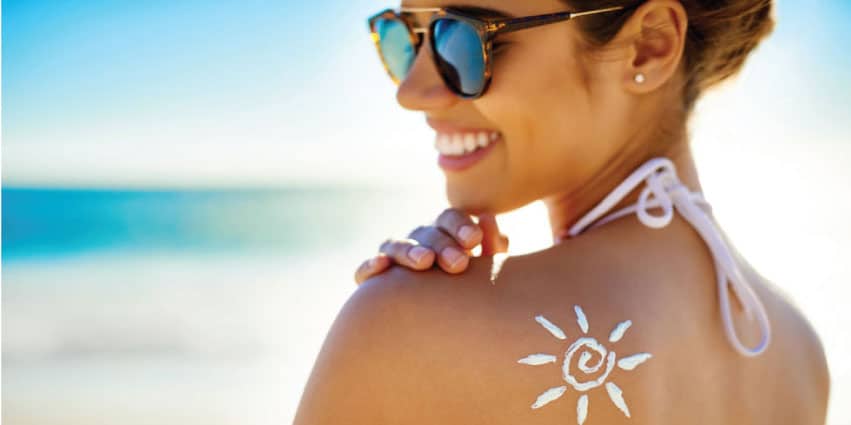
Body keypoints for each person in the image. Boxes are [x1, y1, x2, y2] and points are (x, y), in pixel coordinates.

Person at [294, 0, 830, 424]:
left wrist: (408, 311)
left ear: (649, 46)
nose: (413, 92)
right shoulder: (798, 348)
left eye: (461, 37)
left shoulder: (403, 324)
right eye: (405, 38)